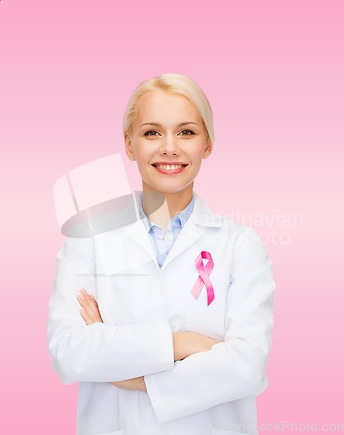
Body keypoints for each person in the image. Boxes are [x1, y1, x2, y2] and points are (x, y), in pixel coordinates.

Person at [47, 73, 276, 435]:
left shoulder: (240, 245)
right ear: (129, 143)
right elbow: (70, 352)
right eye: (152, 132)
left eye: (186, 132)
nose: (169, 147)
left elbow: (247, 368)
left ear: (208, 143)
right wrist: (181, 344)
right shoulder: (88, 239)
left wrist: (123, 369)